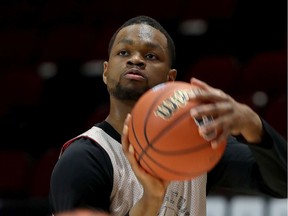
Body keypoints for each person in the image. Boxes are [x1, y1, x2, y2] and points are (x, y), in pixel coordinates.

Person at [49, 15, 287, 216]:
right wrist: (150, 200)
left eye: (151, 56)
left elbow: (283, 183)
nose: (135, 59)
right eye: (123, 52)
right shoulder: (84, 158)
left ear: (170, 79)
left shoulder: (198, 146)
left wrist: (253, 125)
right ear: (105, 71)